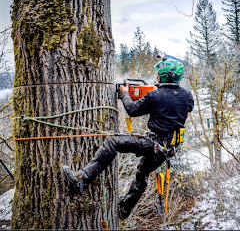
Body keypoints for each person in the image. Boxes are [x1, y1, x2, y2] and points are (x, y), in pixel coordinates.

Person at [62, 58, 194, 219]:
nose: (157, 76)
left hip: (152, 143)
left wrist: (124, 93)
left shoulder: (155, 95)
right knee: (142, 174)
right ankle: (125, 209)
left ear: (166, 76)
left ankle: (82, 178)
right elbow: (180, 105)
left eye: (159, 74)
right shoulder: (187, 96)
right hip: (168, 149)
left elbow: (132, 109)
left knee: (113, 142)